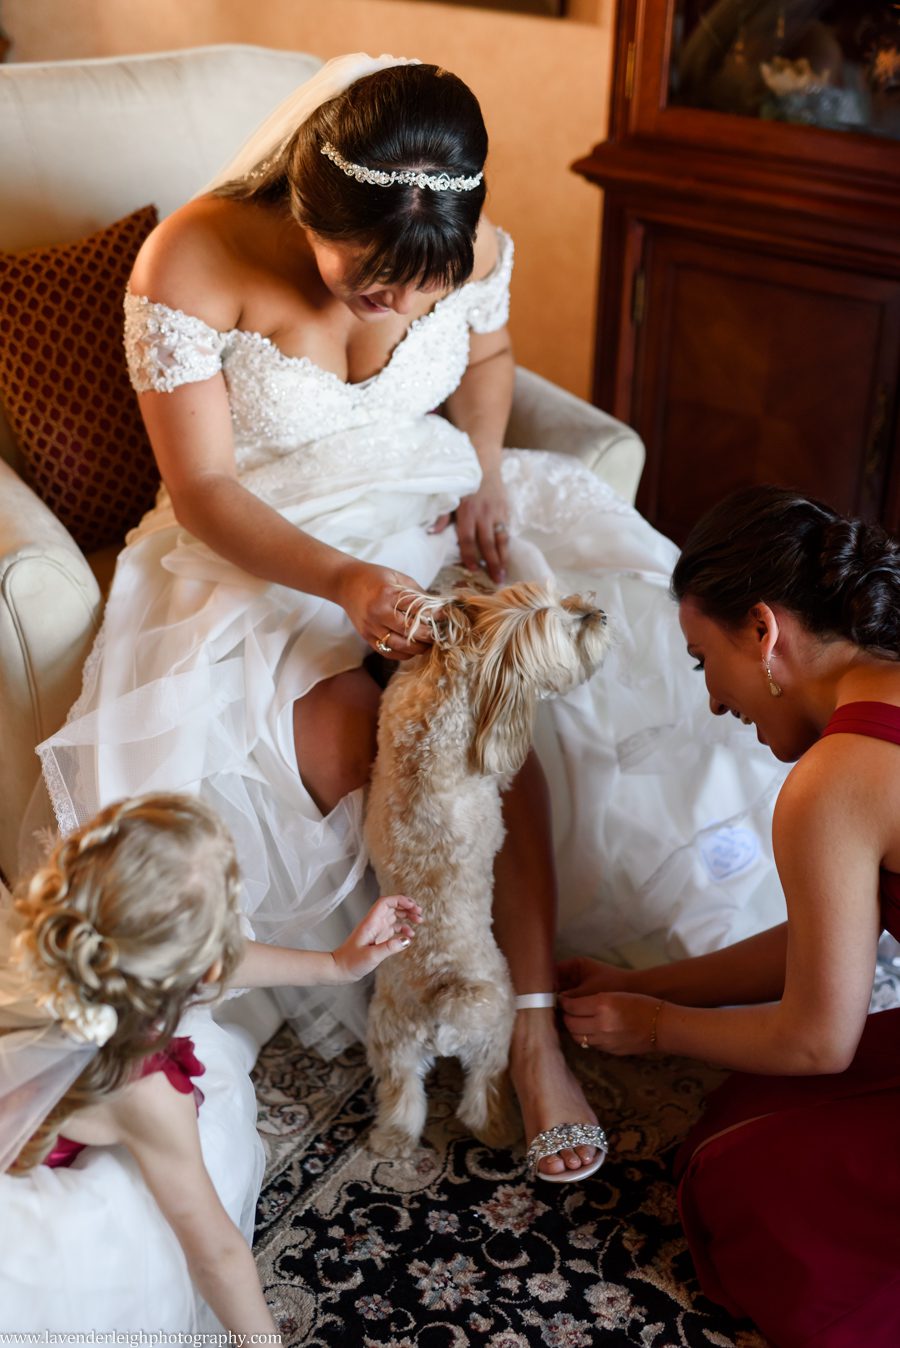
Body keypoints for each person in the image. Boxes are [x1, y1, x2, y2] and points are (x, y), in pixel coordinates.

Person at [33, 53, 786, 1182]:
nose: (394, 307)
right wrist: (341, 581)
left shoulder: (464, 242)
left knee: (504, 707)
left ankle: (531, 1035)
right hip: (262, 533)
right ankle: (405, 980)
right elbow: (203, 490)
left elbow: (489, 357)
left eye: (417, 291)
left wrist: (483, 475)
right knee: (364, 737)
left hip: (426, 500)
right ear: (308, 206)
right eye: (367, 281)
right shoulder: (193, 258)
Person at [558, 484, 900, 1345]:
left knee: (738, 1181)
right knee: (743, 1113)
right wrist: (650, 983)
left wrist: (656, 1026)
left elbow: (820, 1041)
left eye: (703, 661)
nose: (713, 700)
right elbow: (830, 938)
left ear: (763, 630)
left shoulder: (833, 783)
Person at [1, 791, 420, 1332]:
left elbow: (205, 956)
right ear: (200, 971)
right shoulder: (146, 1090)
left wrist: (338, 966)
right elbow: (216, 1254)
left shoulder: (44, 942)